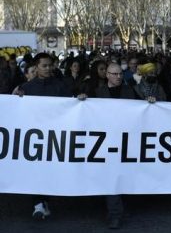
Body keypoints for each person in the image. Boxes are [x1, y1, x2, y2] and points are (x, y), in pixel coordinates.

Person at [79, 63, 137, 229]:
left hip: (125, 140)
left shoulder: (129, 91)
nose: (118, 77)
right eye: (114, 74)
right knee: (112, 177)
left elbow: (141, 109)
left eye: (120, 74)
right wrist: (82, 100)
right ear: (107, 75)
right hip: (105, 142)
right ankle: (115, 214)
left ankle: (118, 209)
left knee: (121, 176)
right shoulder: (97, 92)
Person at [18, 53, 71, 220]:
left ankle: (44, 200)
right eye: (44, 66)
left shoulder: (61, 86)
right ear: (37, 67)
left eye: (50, 65)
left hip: (55, 135)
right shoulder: (27, 88)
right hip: (34, 136)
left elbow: (70, 108)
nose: (48, 69)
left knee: (49, 169)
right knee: (35, 168)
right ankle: (38, 203)